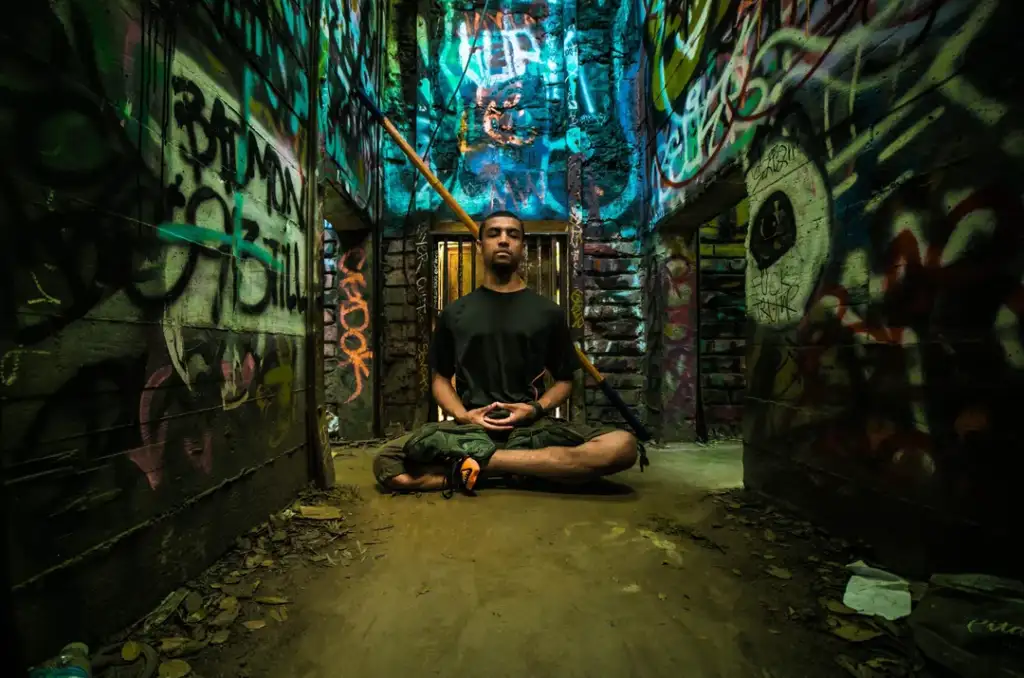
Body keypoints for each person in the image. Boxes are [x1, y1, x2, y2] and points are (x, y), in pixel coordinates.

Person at [373, 210, 643, 497]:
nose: (504, 240)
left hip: (532, 430)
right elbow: (441, 379)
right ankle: (537, 470)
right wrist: (464, 416)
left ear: (522, 247)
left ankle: (480, 467)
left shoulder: (547, 313)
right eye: (494, 234)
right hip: (470, 433)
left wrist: (535, 409)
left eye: (513, 235)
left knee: (624, 446)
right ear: (480, 246)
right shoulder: (455, 313)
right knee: (387, 463)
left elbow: (565, 380)